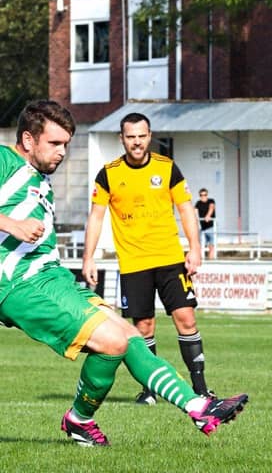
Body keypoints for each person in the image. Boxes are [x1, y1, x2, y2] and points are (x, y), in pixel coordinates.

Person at [0, 100, 247, 447]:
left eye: (66, 145)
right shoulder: (4, 160)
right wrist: (11, 224)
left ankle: (198, 405)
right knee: (113, 341)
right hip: (20, 284)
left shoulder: (39, 177)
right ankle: (80, 419)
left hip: (53, 278)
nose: (62, 153)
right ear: (27, 139)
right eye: (55, 144)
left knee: (128, 337)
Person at [82, 112, 214, 406]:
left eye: (141, 136)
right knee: (143, 328)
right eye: (131, 137)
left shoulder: (167, 168)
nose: (137, 142)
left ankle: (201, 388)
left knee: (186, 319)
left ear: (149, 136)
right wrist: (88, 258)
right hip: (133, 263)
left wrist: (194, 248)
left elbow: (185, 208)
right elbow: (96, 216)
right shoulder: (108, 174)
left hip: (169, 258)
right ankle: (151, 390)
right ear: (122, 139)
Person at [194, 188, 216, 260]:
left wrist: (208, 215)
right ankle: (200, 261)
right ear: (199, 196)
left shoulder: (211, 201)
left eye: (205, 195)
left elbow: (211, 208)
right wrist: (194, 220)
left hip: (211, 227)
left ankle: (211, 261)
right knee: (200, 245)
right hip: (203, 228)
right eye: (201, 195)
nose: (203, 196)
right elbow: (195, 211)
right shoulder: (198, 203)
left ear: (207, 195)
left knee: (211, 245)